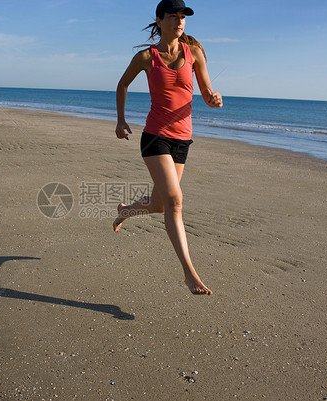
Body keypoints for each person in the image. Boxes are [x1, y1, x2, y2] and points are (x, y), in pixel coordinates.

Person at [114, 0, 223, 295]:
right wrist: (121, 120)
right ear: (160, 21)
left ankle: (126, 211)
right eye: (173, 16)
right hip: (155, 137)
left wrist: (213, 98)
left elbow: (206, 90)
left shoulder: (195, 54)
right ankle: (190, 274)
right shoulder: (147, 57)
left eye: (183, 16)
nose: (179, 21)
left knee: (160, 204)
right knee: (175, 201)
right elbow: (122, 84)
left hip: (182, 139)